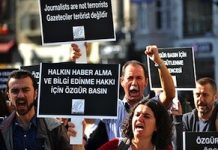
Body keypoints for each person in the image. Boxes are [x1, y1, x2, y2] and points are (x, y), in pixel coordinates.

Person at [68, 44, 175, 149]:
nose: (134, 83)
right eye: (130, 78)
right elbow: (87, 112)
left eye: (138, 78)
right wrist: (79, 61)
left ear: (146, 82)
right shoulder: (112, 106)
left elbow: (169, 94)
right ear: (121, 81)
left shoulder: (152, 107)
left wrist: (158, 61)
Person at [0, 69, 84, 150]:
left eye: (26, 90)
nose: (21, 95)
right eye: (15, 91)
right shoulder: (2, 129)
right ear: (8, 96)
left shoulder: (54, 127)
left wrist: (78, 142)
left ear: (35, 93)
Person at [98, 98, 173, 150]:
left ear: (157, 126)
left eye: (146, 116)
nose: (139, 119)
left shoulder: (165, 149)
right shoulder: (115, 146)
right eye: (137, 115)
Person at [173, 77, 218, 150]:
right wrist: (177, 121)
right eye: (197, 95)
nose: (200, 100)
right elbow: (179, 147)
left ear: (215, 97)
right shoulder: (187, 119)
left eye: (205, 95)